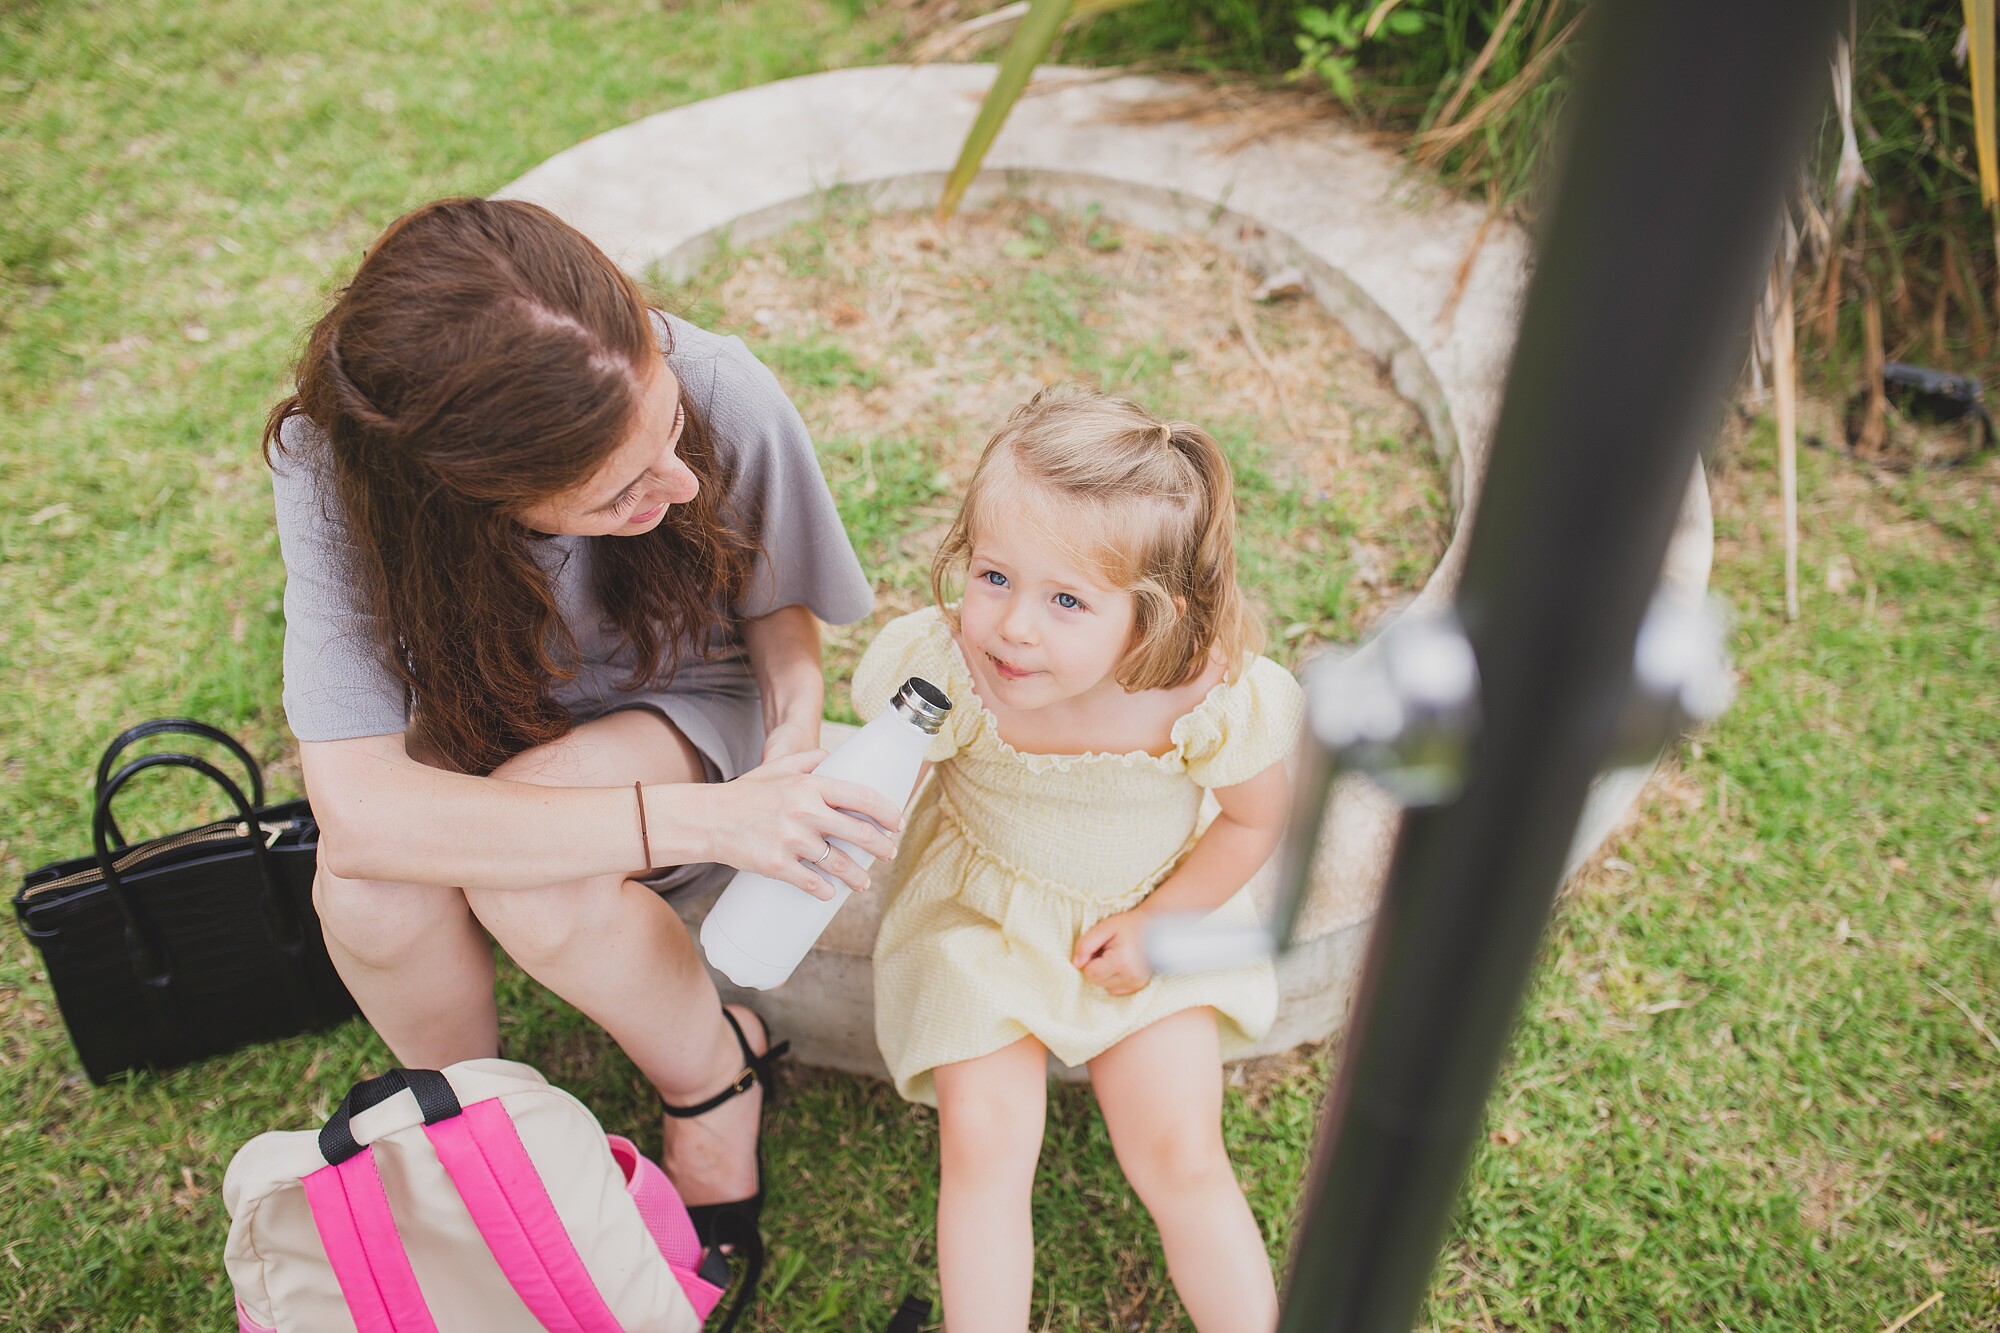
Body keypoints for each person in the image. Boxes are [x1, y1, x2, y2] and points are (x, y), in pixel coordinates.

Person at [263, 196, 903, 1329]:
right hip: (483, 721)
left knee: (537, 862)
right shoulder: (341, 466)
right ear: (463, 489)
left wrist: (793, 740)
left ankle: (715, 1076)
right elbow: (358, 811)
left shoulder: (715, 381)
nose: (681, 487)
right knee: (364, 886)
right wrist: (705, 830)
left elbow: (781, 610)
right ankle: (474, 1123)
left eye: (666, 434)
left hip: (675, 695)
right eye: (620, 489)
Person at [851, 387, 1301, 1332]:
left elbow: (1252, 824)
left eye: (1066, 600)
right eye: (994, 576)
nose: (1015, 627)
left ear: (1151, 616)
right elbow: (880, 769)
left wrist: (1160, 926)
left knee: (1180, 1151)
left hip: (1150, 909)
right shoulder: (951, 669)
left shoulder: (1200, 693)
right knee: (983, 1142)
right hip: (979, 920)